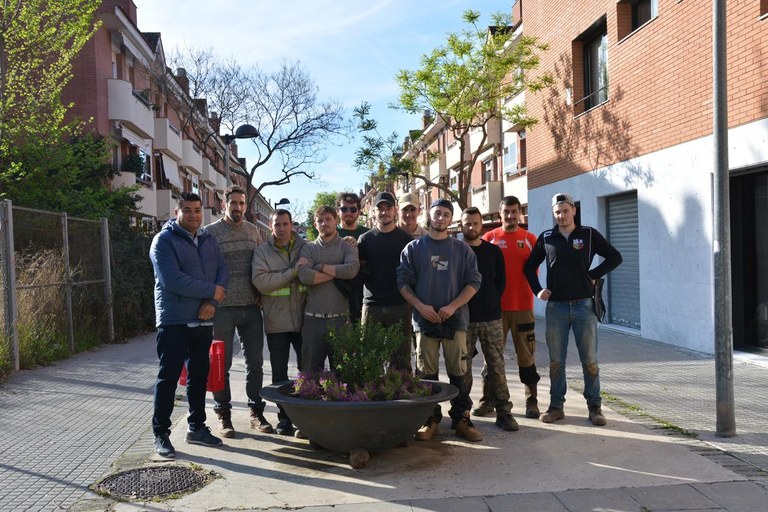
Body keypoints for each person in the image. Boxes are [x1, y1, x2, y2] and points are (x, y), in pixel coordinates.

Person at [523, 193, 623, 426]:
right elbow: (529, 267)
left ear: (574, 211)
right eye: (557, 212)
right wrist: (538, 290)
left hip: (584, 307)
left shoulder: (588, 234)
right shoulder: (547, 238)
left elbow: (615, 257)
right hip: (556, 308)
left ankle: (595, 407)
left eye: (565, 211)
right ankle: (556, 406)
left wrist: (593, 275)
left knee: (589, 360)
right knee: (556, 361)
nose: (561, 216)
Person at [149, 192, 229, 458]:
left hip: (204, 319)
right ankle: (161, 433)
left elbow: (223, 272)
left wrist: (212, 303)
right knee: (169, 378)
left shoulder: (209, 239)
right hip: (174, 320)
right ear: (177, 212)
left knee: (199, 377)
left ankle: (196, 427)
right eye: (187, 210)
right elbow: (173, 280)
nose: (194, 214)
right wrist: (211, 291)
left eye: (197, 209)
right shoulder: (163, 241)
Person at [397, 198, 483, 442]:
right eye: (437, 213)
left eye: (446, 214)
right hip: (425, 321)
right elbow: (403, 282)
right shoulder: (413, 249)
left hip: (456, 321)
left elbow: (474, 282)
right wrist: (421, 307)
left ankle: (461, 419)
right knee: (426, 374)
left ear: (451, 219)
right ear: (429, 215)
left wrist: (453, 306)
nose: (441, 218)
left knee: (459, 373)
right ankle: (430, 419)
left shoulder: (462, 249)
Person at [205, 186, 271, 438]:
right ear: (224, 205)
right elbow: (204, 267)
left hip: (251, 308)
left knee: (255, 363)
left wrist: (261, 290)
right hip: (222, 309)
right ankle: (224, 416)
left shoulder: (253, 231)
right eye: (233, 203)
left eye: (241, 203)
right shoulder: (210, 233)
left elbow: (261, 264)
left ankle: (256, 412)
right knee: (222, 364)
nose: (237, 207)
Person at [478, 196, 542, 419]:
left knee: (527, 357)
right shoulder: (489, 238)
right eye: (507, 211)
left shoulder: (530, 239)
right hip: (495, 310)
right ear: (500, 213)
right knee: (492, 358)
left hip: (523, 307)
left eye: (515, 211)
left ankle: (531, 401)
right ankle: (488, 401)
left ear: (520, 213)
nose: (511, 216)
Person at [252, 209, 308, 436]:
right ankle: (284, 419)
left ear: (292, 225)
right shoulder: (262, 252)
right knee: (279, 374)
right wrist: (292, 271)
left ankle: (305, 419)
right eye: (278, 225)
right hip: (277, 322)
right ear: (271, 226)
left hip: (305, 319)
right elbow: (262, 284)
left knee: (307, 371)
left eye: (286, 224)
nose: (282, 228)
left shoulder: (306, 247)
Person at [460, 207, 517, 431]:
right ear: (462, 225)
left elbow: (500, 283)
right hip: (463, 319)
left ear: (481, 224)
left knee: (496, 366)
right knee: (462, 369)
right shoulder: (456, 251)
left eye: (475, 223)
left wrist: (491, 302)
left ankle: (504, 411)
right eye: (467, 223)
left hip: (491, 318)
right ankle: (462, 413)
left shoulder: (493, 252)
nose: (471, 227)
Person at [298, 206, 360, 372]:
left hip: (340, 320)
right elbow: (304, 275)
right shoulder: (308, 248)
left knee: (343, 375)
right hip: (313, 320)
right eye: (320, 220)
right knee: (310, 374)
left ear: (335, 221)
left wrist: (321, 267)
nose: (324, 223)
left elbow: (352, 270)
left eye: (328, 219)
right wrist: (337, 271)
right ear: (315, 224)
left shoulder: (347, 246)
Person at [357, 192, 414, 372]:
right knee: (369, 358)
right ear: (373, 212)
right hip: (372, 306)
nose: (384, 212)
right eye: (380, 209)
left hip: (399, 305)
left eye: (388, 208)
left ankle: (400, 395)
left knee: (401, 360)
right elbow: (359, 271)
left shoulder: (406, 240)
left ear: (395, 210)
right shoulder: (365, 239)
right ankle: (370, 396)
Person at [336, 192, 368, 321]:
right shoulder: (330, 233)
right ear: (337, 210)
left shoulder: (367, 234)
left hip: (362, 292)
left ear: (359, 211)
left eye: (353, 209)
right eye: (344, 209)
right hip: (337, 291)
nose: (348, 212)